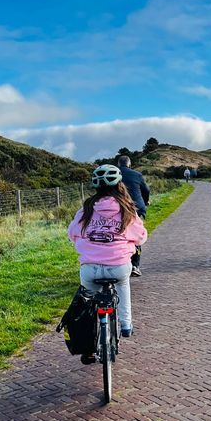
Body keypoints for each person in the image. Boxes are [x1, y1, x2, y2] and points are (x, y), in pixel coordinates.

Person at [68, 165, 147, 361]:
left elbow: (72, 233)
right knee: (122, 285)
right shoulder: (127, 209)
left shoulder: (86, 209)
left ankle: (88, 346)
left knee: (88, 302)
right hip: (118, 266)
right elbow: (141, 237)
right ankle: (126, 325)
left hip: (90, 269)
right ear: (120, 184)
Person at [117, 155, 150, 277]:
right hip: (136, 208)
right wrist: (146, 201)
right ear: (129, 164)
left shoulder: (115, 174)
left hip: (118, 208)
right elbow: (146, 190)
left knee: (117, 234)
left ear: (119, 164)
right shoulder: (137, 174)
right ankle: (135, 266)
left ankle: (118, 262)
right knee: (135, 236)